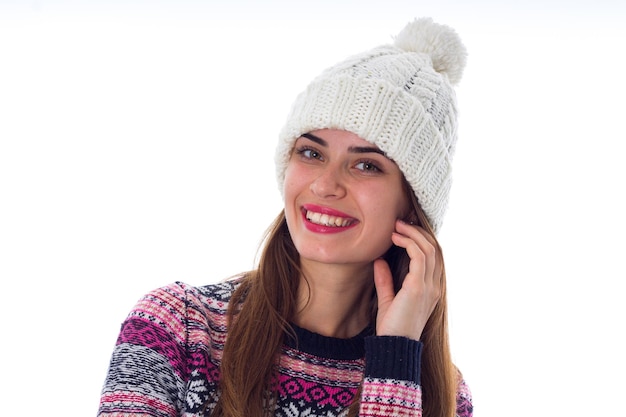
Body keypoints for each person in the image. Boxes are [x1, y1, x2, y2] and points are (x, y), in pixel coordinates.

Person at [98, 17, 473, 417]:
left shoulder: (441, 393)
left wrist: (395, 361)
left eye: (366, 165)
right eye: (312, 153)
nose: (326, 185)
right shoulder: (178, 327)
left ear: (413, 206)